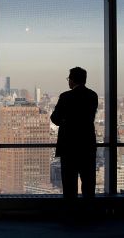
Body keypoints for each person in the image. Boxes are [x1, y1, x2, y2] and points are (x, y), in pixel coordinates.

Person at [50, 67, 98, 199]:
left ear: (72, 79)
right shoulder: (93, 95)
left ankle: (71, 214)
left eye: (69, 79)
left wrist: (66, 120)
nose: (68, 82)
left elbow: (55, 118)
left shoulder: (66, 97)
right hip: (87, 145)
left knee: (69, 184)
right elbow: (89, 117)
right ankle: (89, 213)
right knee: (88, 183)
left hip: (69, 146)